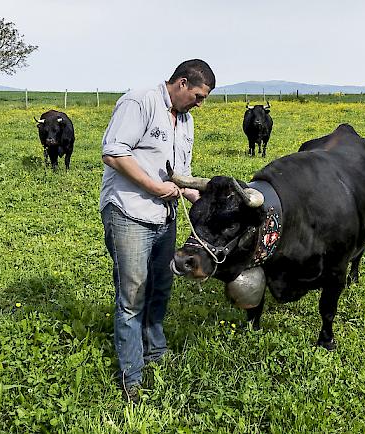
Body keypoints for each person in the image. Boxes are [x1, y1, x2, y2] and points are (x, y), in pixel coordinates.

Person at [99, 59, 215, 402]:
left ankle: (156, 354)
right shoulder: (141, 101)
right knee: (133, 295)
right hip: (130, 212)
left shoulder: (187, 121)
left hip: (164, 216)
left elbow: (179, 176)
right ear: (181, 83)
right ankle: (131, 376)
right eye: (197, 95)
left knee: (161, 287)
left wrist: (205, 196)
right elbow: (114, 152)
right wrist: (154, 187)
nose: (200, 103)